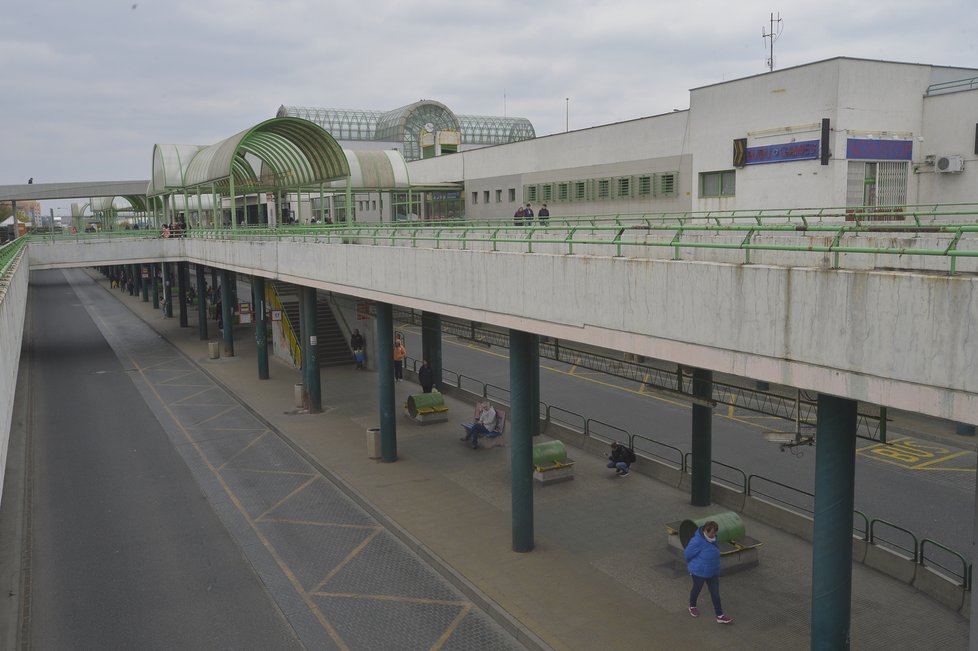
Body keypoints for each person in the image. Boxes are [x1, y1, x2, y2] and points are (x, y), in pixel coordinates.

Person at [684, 520, 733, 624]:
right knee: (697, 589)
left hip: (712, 571)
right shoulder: (697, 541)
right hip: (699, 572)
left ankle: (720, 615)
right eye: (711, 533)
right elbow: (687, 554)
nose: (713, 535)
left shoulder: (713, 538)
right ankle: (692, 606)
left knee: (715, 593)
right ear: (705, 530)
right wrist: (694, 566)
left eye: (715, 532)